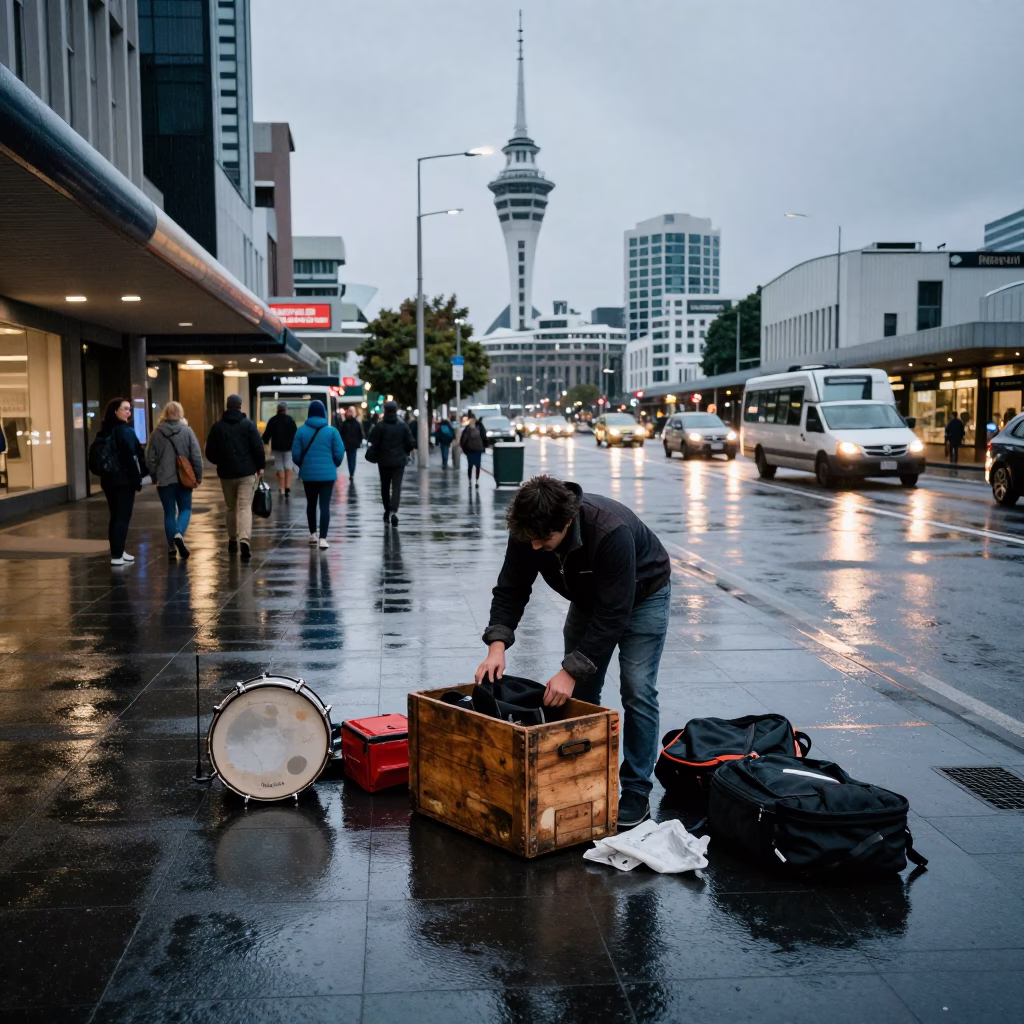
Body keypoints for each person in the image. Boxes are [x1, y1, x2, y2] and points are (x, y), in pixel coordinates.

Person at [475, 475, 672, 829]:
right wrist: (497, 646)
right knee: (582, 690)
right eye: (529, 540)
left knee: (637, 689)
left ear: (566, 523)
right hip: (588, 596)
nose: (535, 547)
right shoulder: (530, 529)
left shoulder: (609, 531)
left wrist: (569, 669)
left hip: (644, 595)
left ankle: (637, 790)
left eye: (543, 541)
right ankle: (581, 772)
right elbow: (511, 588)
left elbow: (614, 614)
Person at [205, 394, 265, 561]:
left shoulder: (217, 427)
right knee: (245, 507)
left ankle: (232, 539)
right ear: (240, 406)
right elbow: (258, 447)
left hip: (226, 473)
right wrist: (260, 467)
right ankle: (244, 539)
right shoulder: (248, 425)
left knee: (231, 507)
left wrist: (221, 461)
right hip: (246, 472)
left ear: (227, 406)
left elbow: (209, 452)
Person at [145, 401, 203, 560]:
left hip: (164, 480)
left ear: (165, 413)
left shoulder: (156, 433)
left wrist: (155, 476)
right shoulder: (187, 431)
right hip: (184, 479)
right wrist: (198, 476)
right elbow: (196, 456)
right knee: (185, 509)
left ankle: (171, 548)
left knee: (169, 512)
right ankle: (179, 533)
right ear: (181, 413)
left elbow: (149, 458)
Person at [97, 397, 147, 566]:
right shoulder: (125, 431)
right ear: (115, 411)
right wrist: (138, 479)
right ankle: (117, 555)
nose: (129, 412)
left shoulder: (105, 431)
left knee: (115, 516)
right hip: (123, 481)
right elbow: (132, 458)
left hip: (109, 479)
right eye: (125, 408)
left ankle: (118, 551)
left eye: (129, 409)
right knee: (122, 517)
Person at [292, 399, 344, 549]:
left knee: (311, 504)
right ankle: (323, 538)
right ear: (324, 413)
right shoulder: (332, 431)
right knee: (325, 505)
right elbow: (339, 453)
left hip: (308, 475)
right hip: (327, 475)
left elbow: (295, 455)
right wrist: (333, 464)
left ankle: (313, 534)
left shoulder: (301, 431)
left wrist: (304, 465)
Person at [368, 400, 415, 525]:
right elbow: (411, 442)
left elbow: (373, 441)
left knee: (385, 486)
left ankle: (387, 509)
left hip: (383, 461)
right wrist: (404, 451)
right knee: (396, 487)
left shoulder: (380, 426)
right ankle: (393, 510)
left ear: (385, 411)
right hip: (399, 461)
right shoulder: (403, 425)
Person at [261, 402, 297, 498]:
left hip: (277, 447)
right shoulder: (290, 420)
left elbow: (267, 434)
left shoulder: (273, 420)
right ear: (285, 409)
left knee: (279, 467)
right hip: (289, 448)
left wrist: (265, 442)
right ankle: (287, 488)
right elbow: (295, 433)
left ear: (277, 409)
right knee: (289, 467)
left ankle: (281, 488)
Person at [339, 405, 365, 480]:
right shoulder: (346, 423)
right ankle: (351, 473)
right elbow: (342, 433)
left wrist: (359, 441)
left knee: (352, 458)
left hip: (352, 444)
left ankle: (351, 473)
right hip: (348, 444)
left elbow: (360, 433)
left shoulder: (355, 423)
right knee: (350, 459)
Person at [460, 413, 485, 487]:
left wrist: (463, 448)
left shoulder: (467, 428)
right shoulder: (480, 426)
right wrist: (483, 446)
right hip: (478, 449)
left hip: (470, 449)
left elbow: (463, 440)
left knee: (470, 465)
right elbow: (484, 436)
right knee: (478, 465)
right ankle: (477, 480)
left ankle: (470, 480)